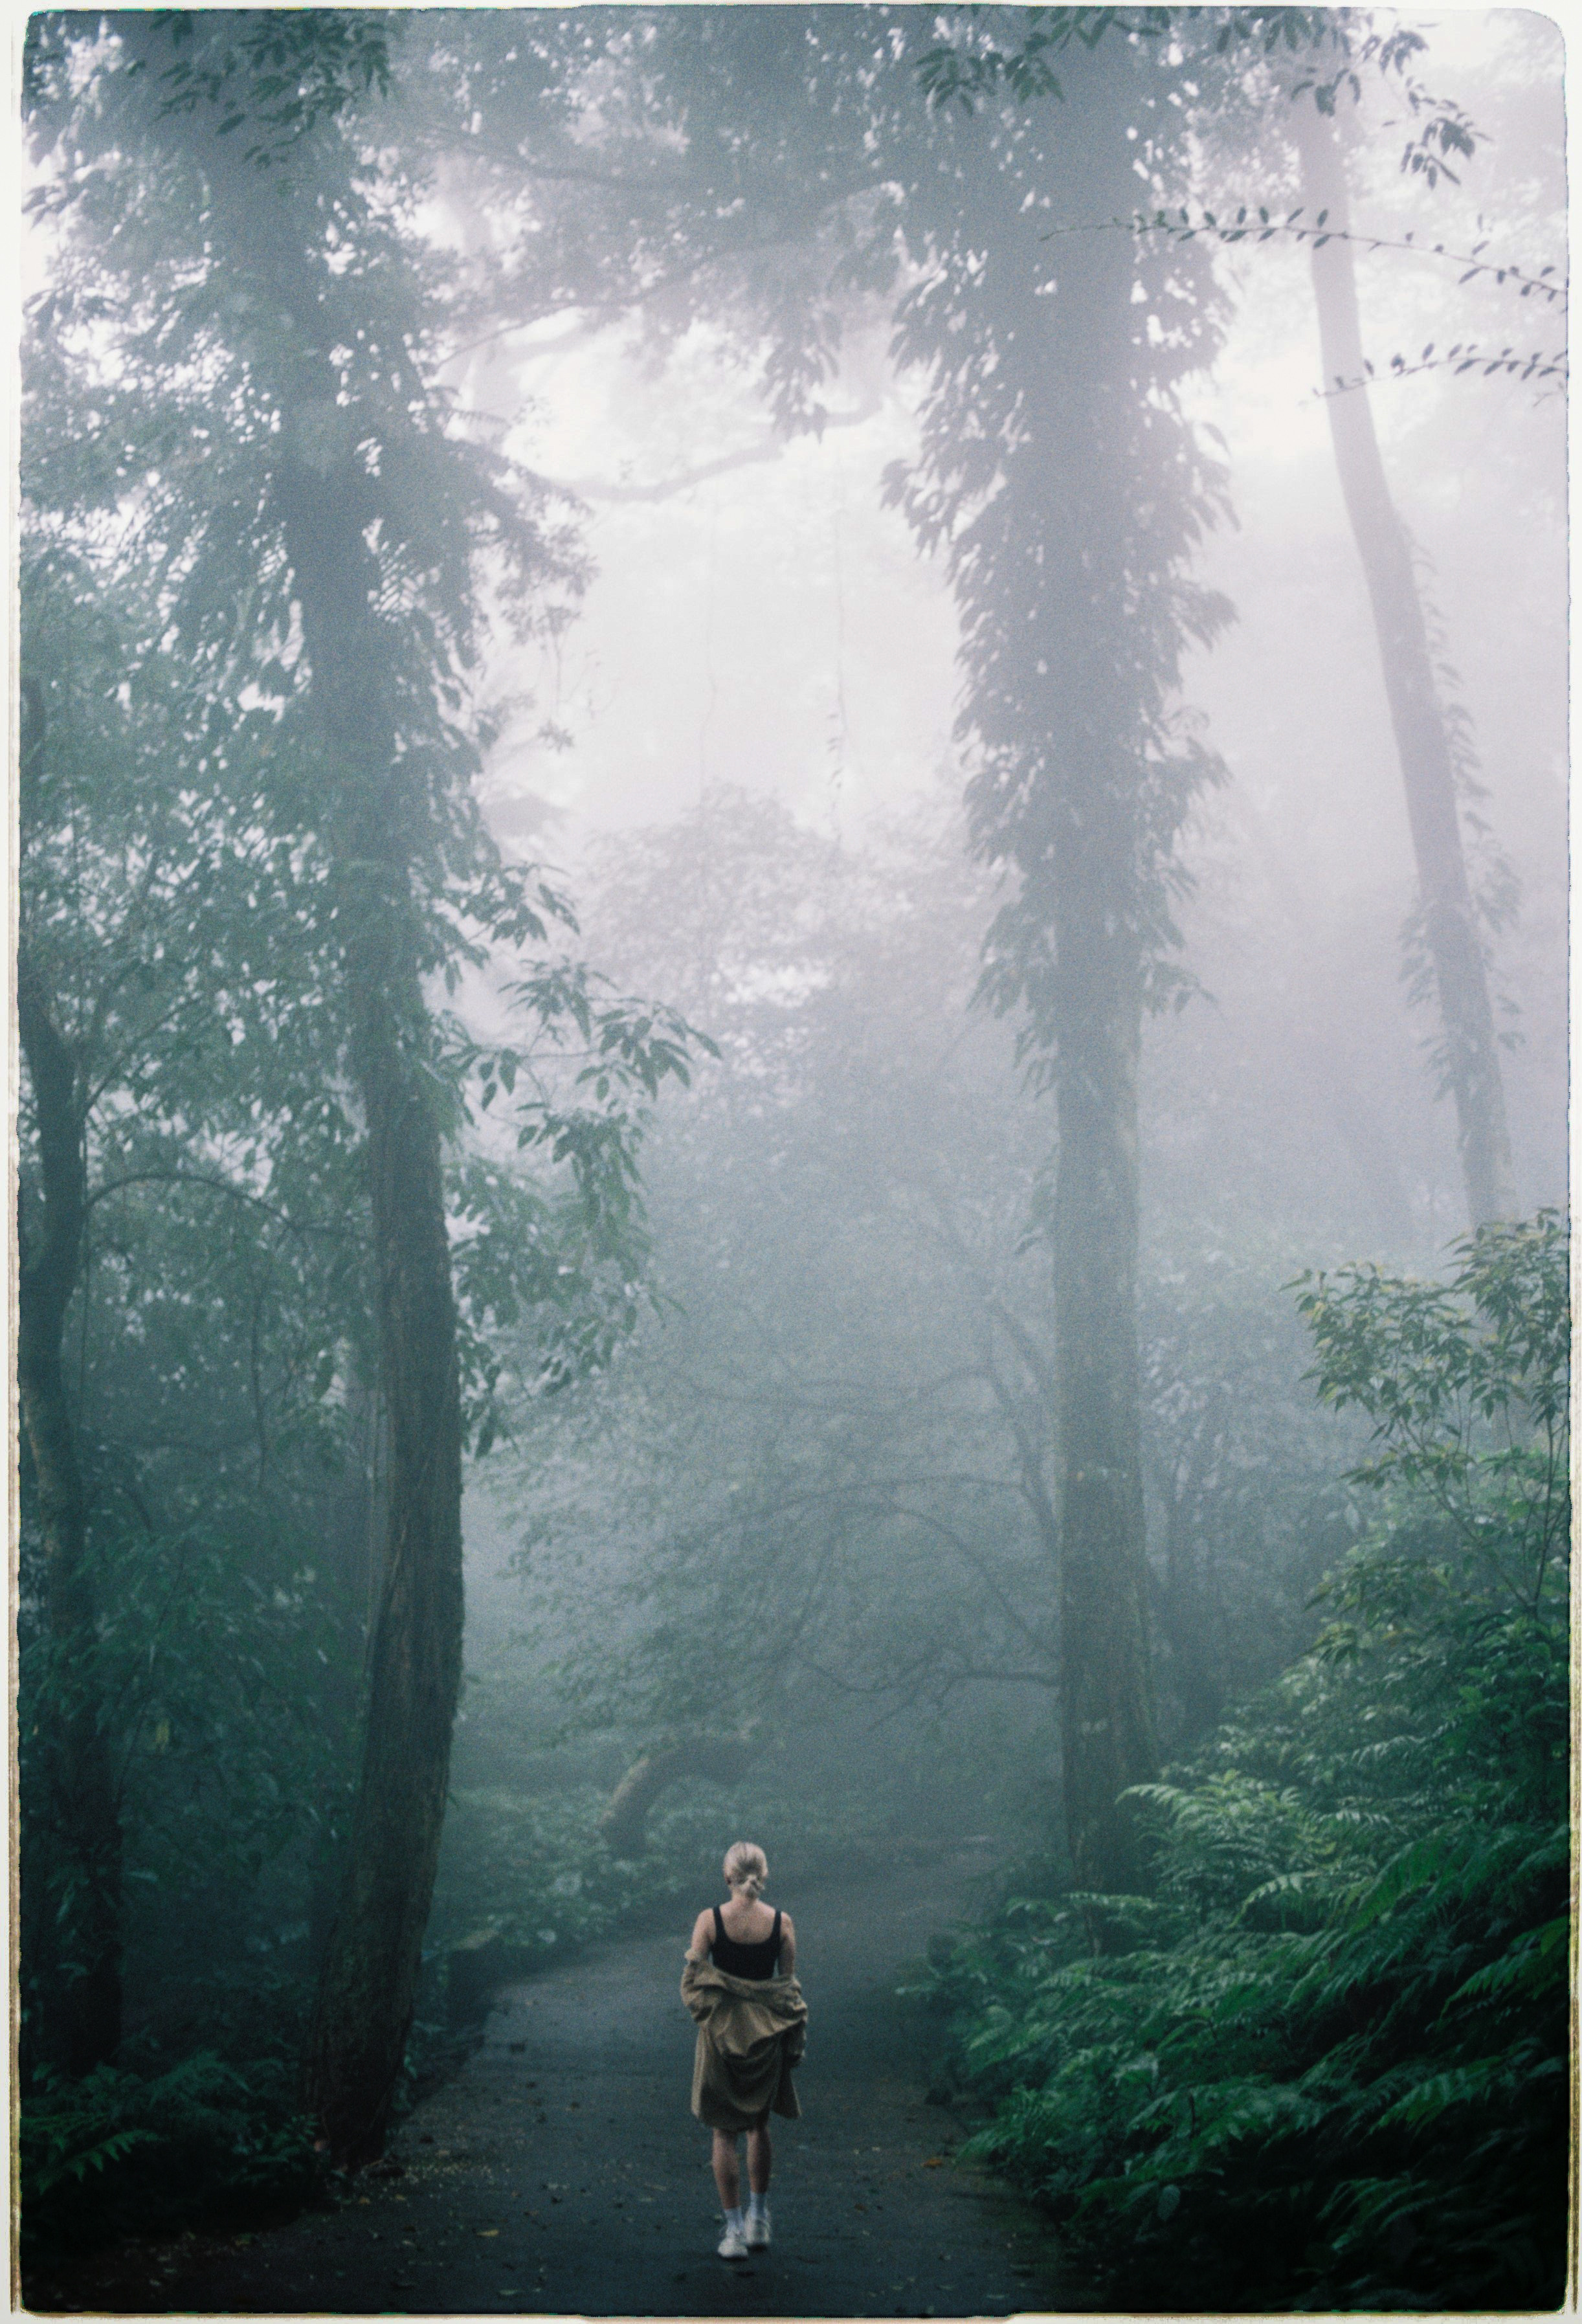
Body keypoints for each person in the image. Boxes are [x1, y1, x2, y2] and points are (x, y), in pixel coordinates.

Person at [680, 1840, 807, 2260]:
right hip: (765, 2039)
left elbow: (693, 1982)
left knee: (723, 2132)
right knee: (759, 2126)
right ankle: (759, 2221)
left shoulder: (710, 1920)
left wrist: (713, 2017)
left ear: (727, 1876)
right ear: (764, 1876)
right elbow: (786, 1991)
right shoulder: (782, 1923)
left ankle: (733, 2231)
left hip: (720, 2038)